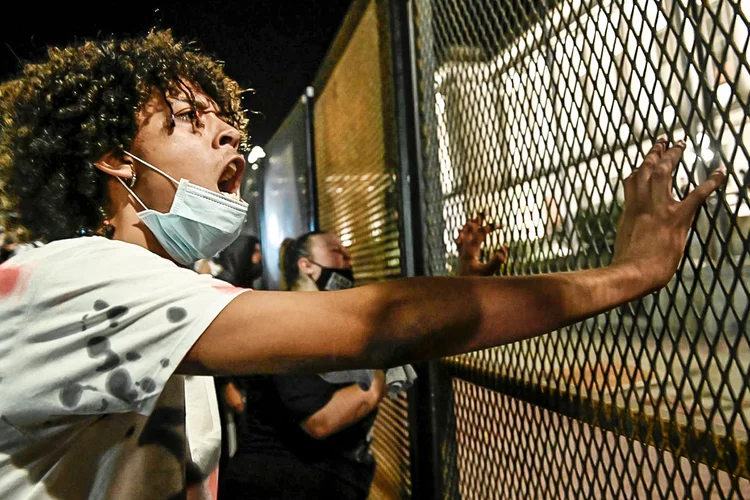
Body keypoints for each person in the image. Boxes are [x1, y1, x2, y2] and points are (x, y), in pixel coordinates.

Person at [0, 30, 725, 499]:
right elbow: (375, 325)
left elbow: (374, 340)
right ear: (112, 158)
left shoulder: (179, 293)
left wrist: (467, 290)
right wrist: (629, 272)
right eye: (190, 118)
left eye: (229, 122)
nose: (226, 132)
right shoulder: (75, 277)